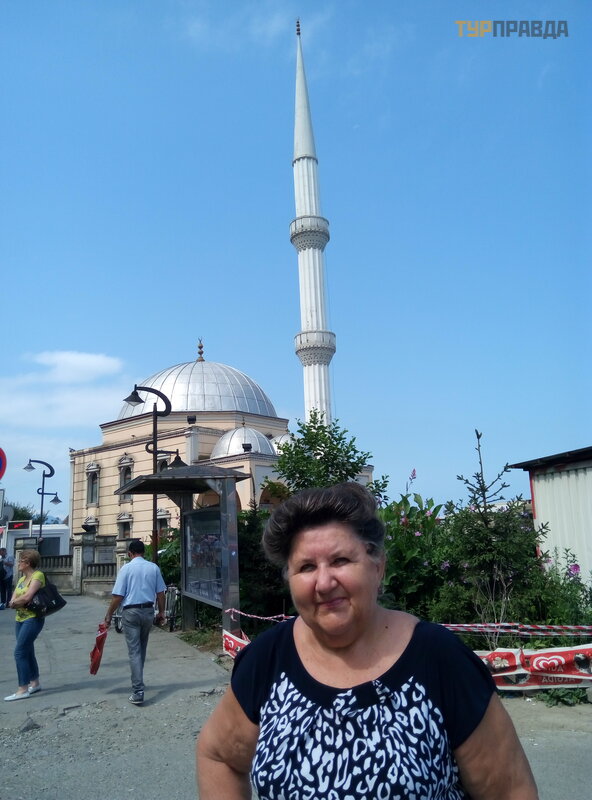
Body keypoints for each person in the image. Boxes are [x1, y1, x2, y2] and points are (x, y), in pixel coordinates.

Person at [197, 482, 539, 799]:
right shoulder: (268, 660)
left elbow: (510, 790)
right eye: (306, 567)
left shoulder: (439, 659)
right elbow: (218, 756)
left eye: (340, 560)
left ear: (378, 566)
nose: (324, 583)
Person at [104, 539, 166, 705]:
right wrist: (161, 612)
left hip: (130, 613)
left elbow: (118, 596)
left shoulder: (126, 569)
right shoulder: (153, 568)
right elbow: (161, 593)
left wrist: (109, 614)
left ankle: (138, 690)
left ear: (130, 553)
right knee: (142, 648)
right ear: (144, 552)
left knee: (134, 651)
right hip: (148, 612)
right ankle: (139, 681)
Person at [4, 549, 45, 701]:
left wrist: (16, 602)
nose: (18, 564)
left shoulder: (38, 576)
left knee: (19, 652)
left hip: (33, 618)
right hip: (20, 618)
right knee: (27, 650)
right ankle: (35, 682)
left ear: (28, 563)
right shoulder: (22, 579)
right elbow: (13, 598)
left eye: (20, 561)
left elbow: (27, 597)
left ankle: (23, 688)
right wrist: (15, 602)